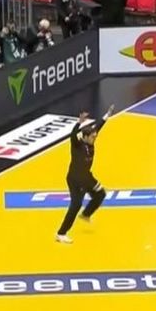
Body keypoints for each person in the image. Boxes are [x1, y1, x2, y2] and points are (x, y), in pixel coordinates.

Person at [56, 105, 116, 244]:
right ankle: (61, 233)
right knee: (76, 204)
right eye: (93, 137)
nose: (95, 138)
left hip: (86, 176)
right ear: (85, 136)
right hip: (76, 179)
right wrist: (78, 123)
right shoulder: (77, 145)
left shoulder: (91, 140)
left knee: (100, 194)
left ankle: (86, 214)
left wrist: (107, 115)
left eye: (95, 136)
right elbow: (72, 136)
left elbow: (98, 126)